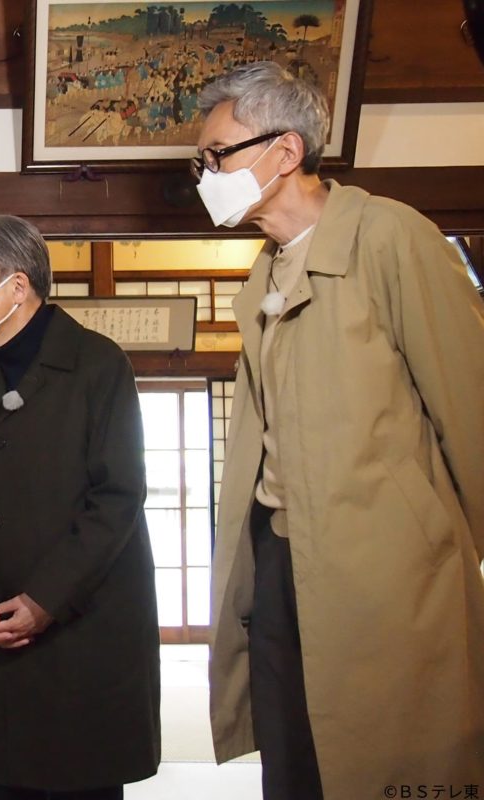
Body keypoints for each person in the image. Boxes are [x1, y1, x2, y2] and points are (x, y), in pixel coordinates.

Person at [194, 61, 484, 800]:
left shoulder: (390, 237)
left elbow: (471, 408)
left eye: (218, 154)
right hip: (280, 558)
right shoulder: (264, 276)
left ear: (284, 152)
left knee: (390, 759)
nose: (206, 174)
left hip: (389, 566)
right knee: (296, 763)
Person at [0, 215, 161, 800]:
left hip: (85, 619)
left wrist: (44, 600)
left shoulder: (98, 364)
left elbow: (117, 498)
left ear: (16, 286)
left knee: (83, 777)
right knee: (12, 780)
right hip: (1, 623)